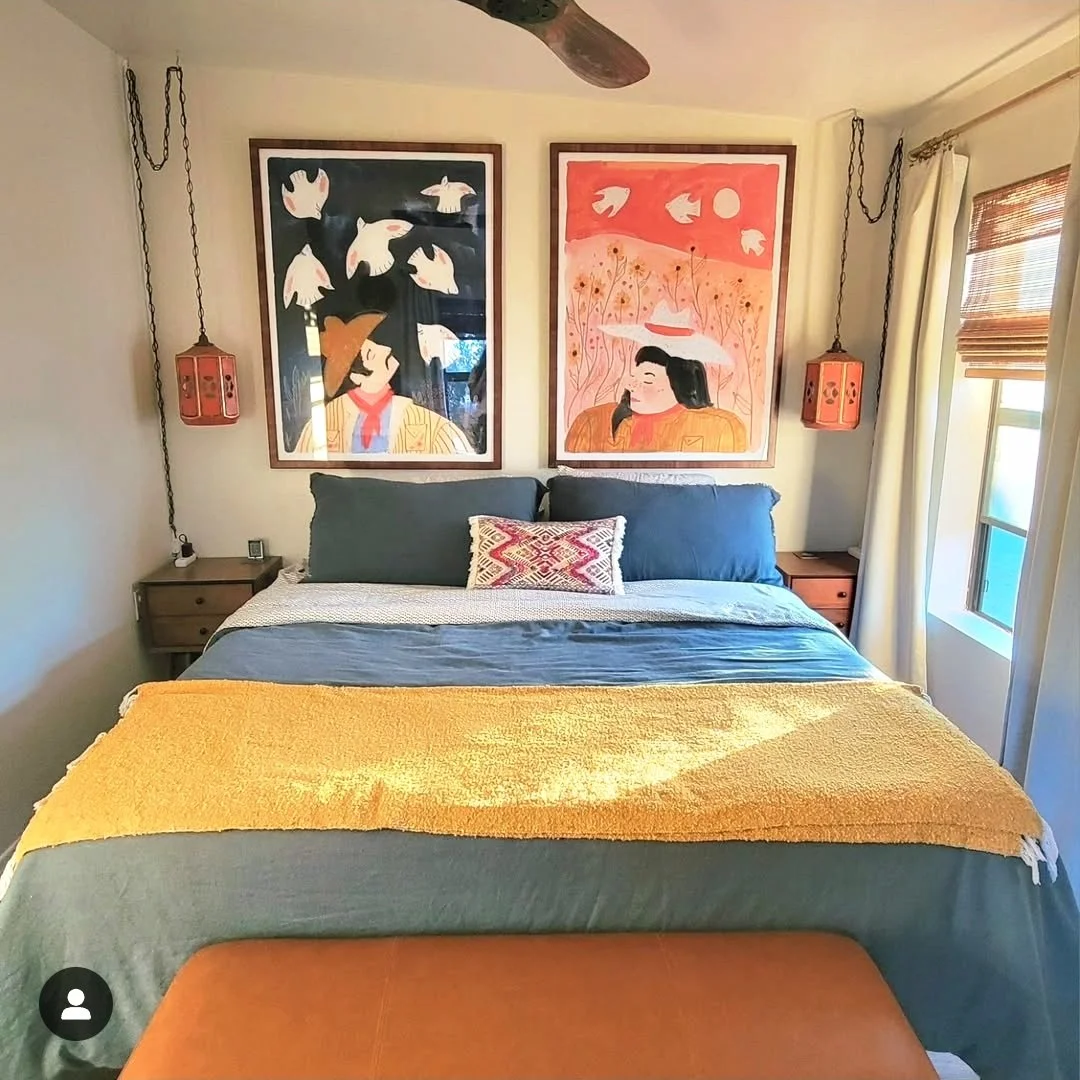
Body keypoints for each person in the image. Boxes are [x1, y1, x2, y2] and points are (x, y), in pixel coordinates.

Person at [566, 303, 748, 455]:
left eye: (648, 378)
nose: (632, 386)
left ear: (681, 385)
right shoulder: (591, 422)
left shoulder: (721, 428)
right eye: (634, 375)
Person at [295, 310, 473, 456]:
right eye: (371, 354)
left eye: (378, 344)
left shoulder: (430, 425)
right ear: (356, 377)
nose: (387, 349)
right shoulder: (325, 423)